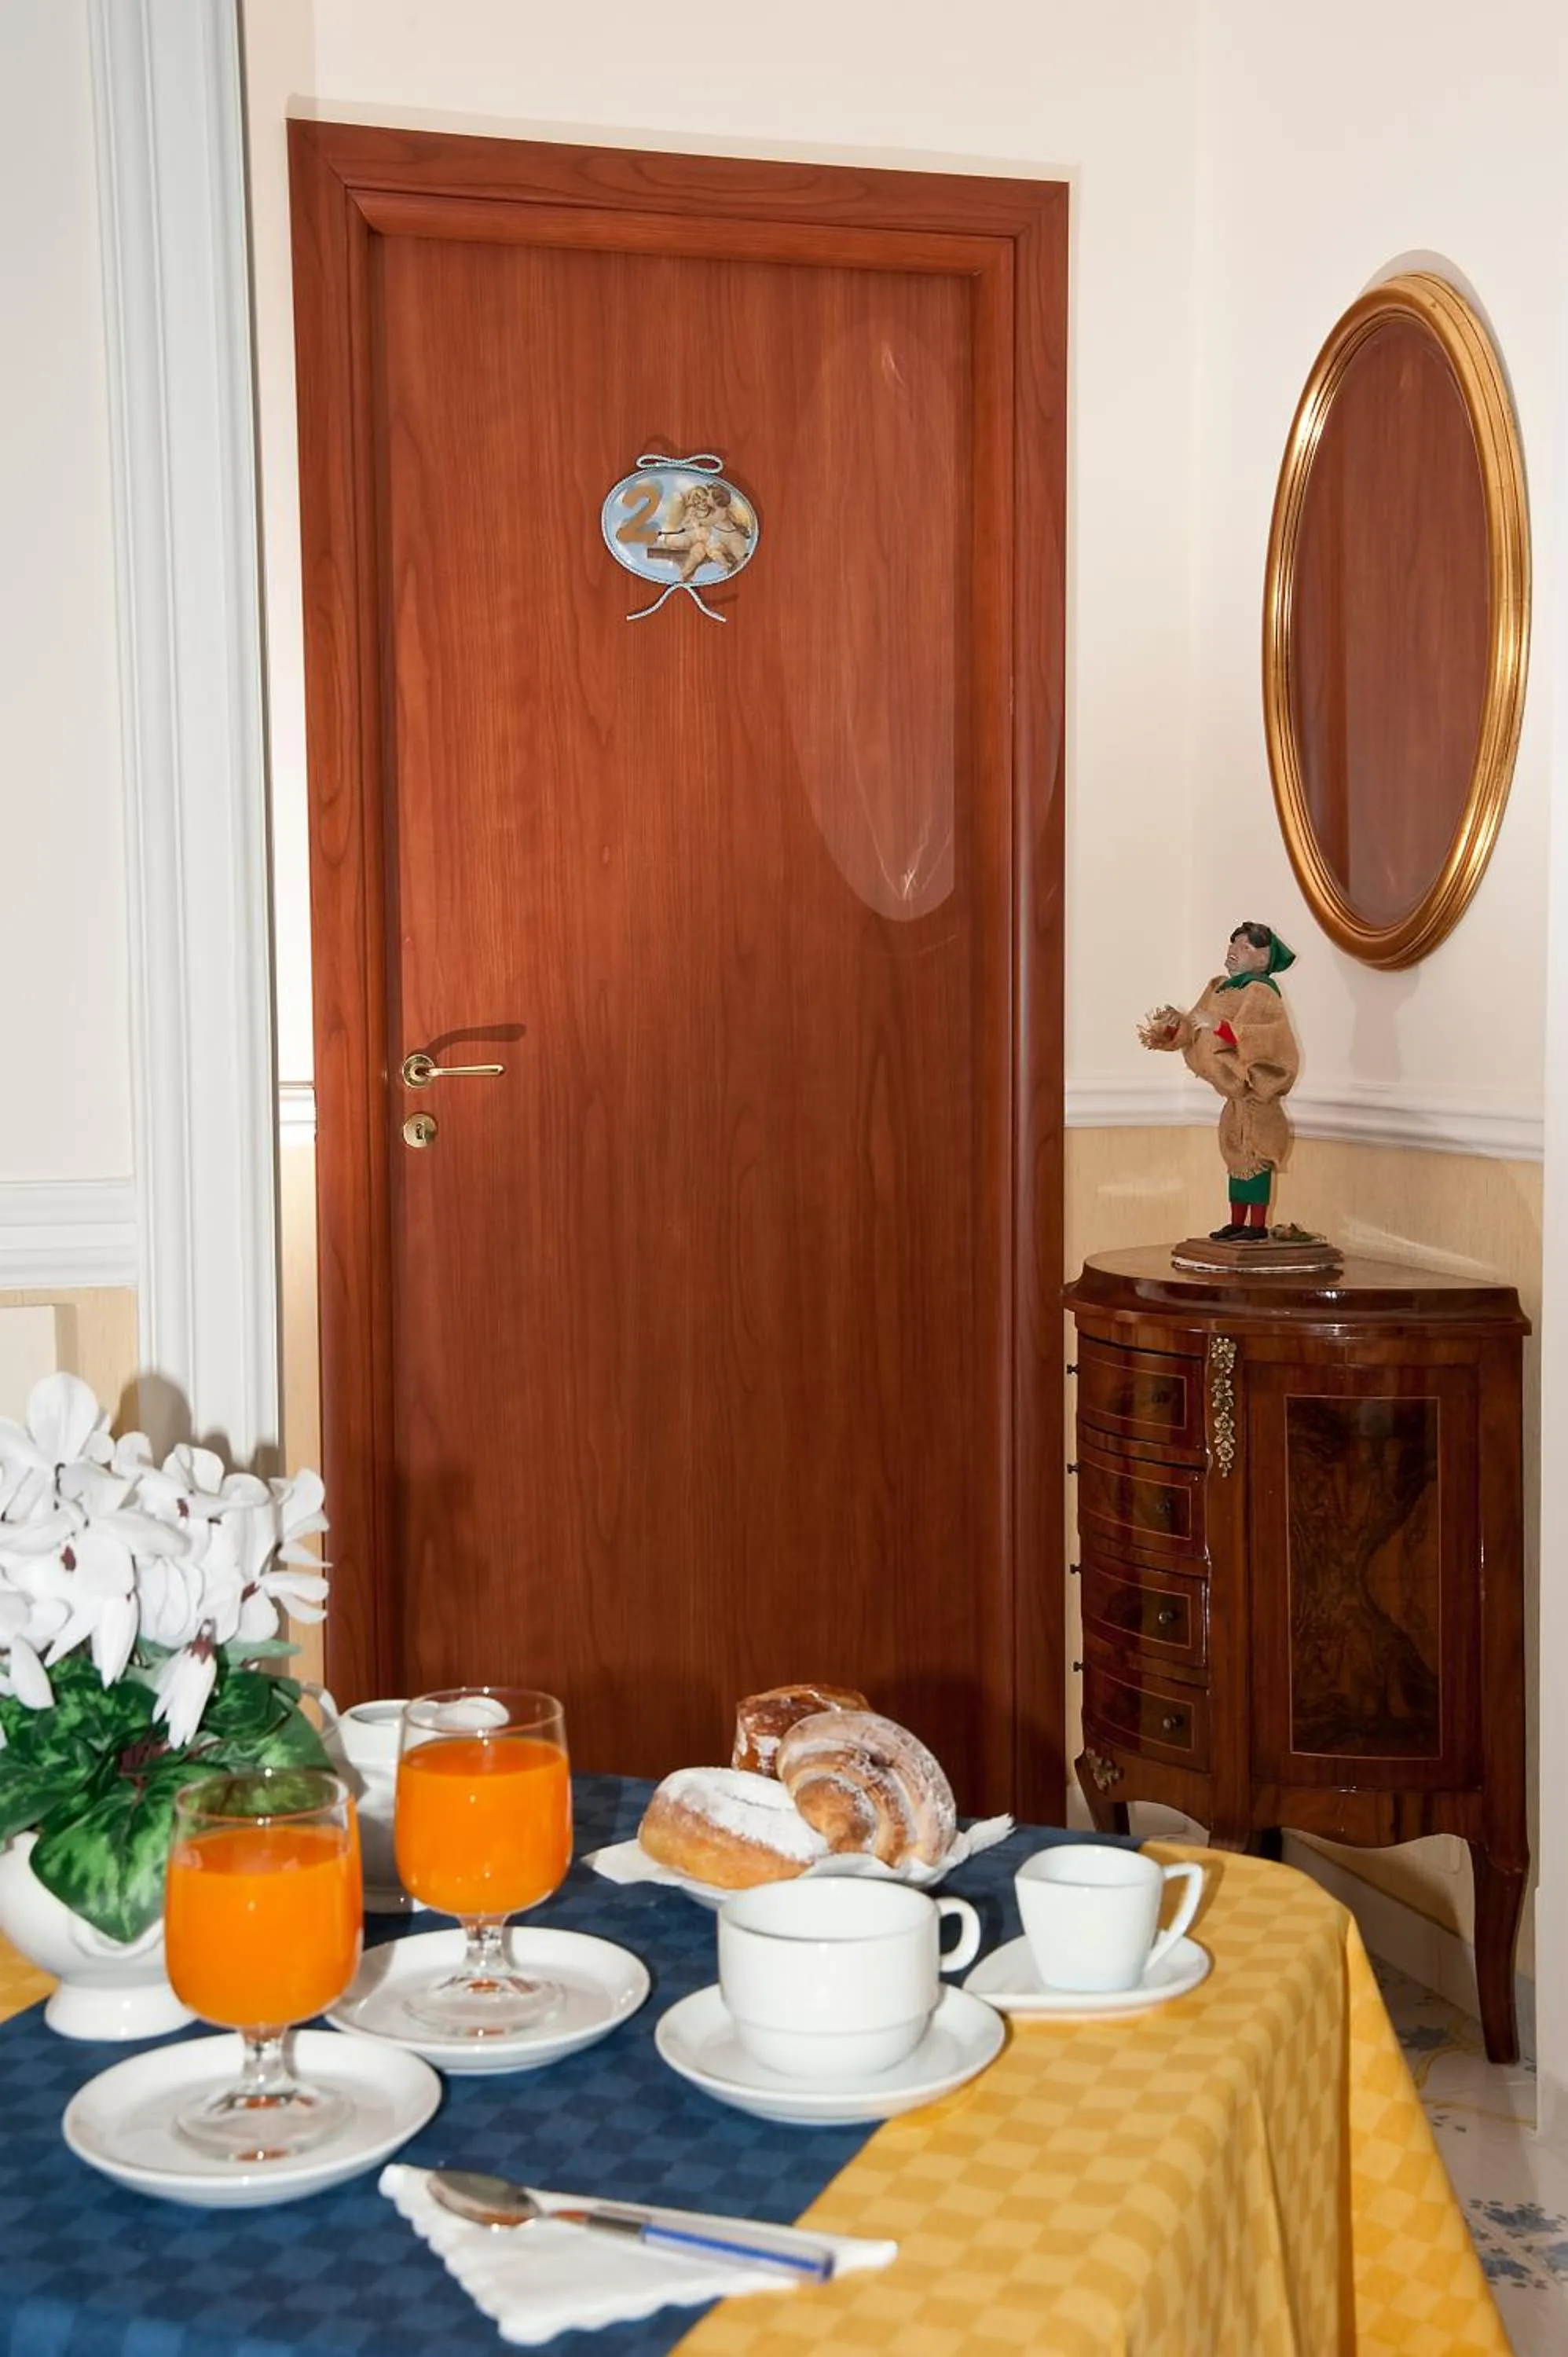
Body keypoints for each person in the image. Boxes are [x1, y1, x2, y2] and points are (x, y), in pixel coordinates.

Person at [1139, 922, 1300, 1242]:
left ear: (1263, 959)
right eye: (1234, 944)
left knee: (1256, 1158)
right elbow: (1194, 1030)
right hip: (1233, 1101)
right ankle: (1236, 1221)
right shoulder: (1219, 987)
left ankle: (1256, 1225)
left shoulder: (1261, 992)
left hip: (1257, 1099)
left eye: (1246, 947)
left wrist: (1223, 1027)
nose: (1234, 950)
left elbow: (1266, 1038)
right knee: (1236, 1160)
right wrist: (1175, 1027)